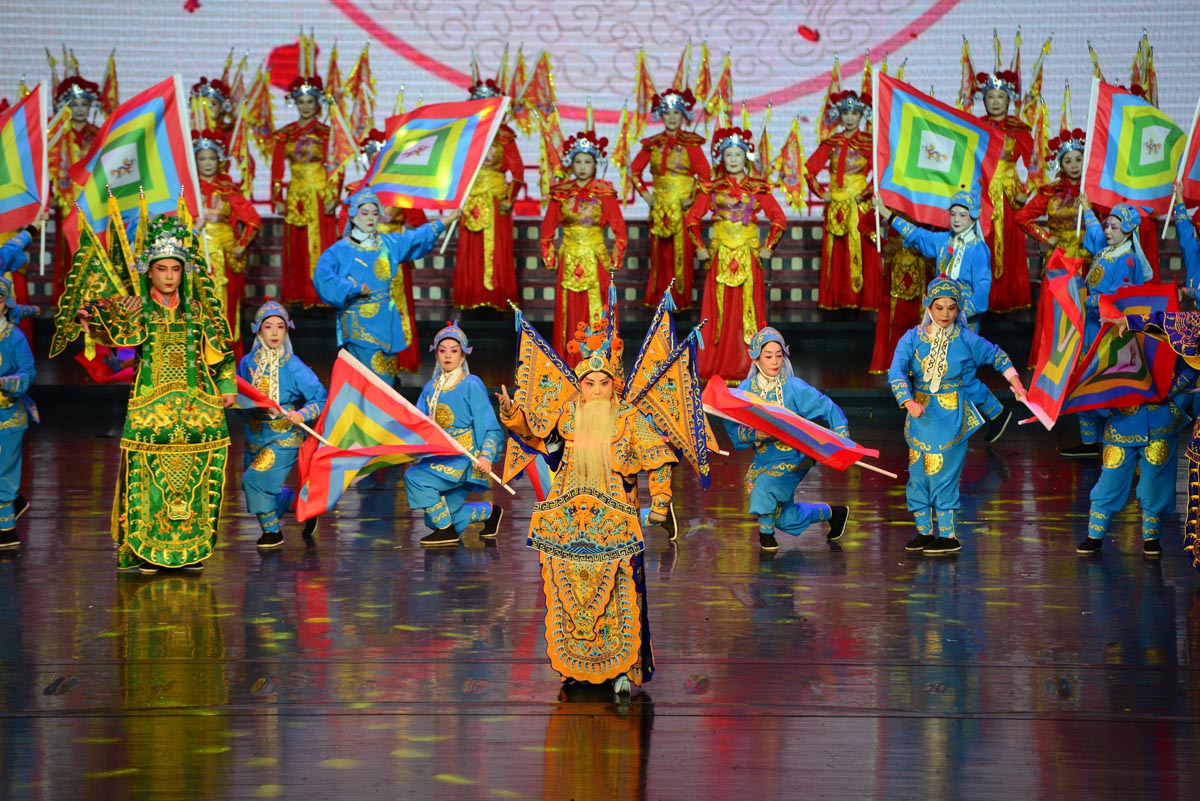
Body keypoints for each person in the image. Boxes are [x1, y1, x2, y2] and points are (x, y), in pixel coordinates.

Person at [498, 320, 675, 697]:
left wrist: (660, 500)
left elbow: (659, 458)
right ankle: (574, 667)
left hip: (615, 524)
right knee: (568, 594)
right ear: (579, 385)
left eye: (603, 383)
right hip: (567, 521)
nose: (596, 390)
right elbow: (538, 439)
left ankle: (622, 669)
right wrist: (514, 417)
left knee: (620, 593)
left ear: (614, 385)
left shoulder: (628, 418)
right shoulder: (566, 415)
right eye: (589, 383)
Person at [73, 214, 236, 573]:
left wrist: (227, 387)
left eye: (175, 269)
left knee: (196, 480)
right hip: (151, 412)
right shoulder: (138, 309)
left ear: (183, 272)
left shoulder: (197, 312)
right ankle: (145, 550)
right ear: (149, 272)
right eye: (161, 269)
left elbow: (221, 354)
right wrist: (88, 314)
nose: (168, 276)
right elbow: (104, 314)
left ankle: (191, 549)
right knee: (145, 480)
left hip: (197, 411)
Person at [888, 275, 1026, 554]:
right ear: (928, 306)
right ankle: (924, 532)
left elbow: (998, 356)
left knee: (944, 475)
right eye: (939, 307)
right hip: (919, 415)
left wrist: (1017, 384)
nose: (945, 314)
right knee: (918, 474)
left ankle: (948, 536)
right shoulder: (912, 337)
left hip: (951, 416)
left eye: (952, 308)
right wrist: (908, 401)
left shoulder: (965, 339)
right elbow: (896, 371)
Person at [876, 190, 1013, 440]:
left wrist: (961, 312)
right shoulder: (943, 241)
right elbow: (917, 235)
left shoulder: (978, 250)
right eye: (953, 214)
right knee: (944, 370)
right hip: (939, 319)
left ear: (973, 218)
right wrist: (887, 213)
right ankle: (978, 416)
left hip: (963, 320)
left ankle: (995, 413)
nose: (957, 219)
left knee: (961, 373)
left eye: (963, 215)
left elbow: (983, 288)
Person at [723, 327, 850, 551]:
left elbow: (826, 406)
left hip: (795, 455)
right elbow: (732, 423)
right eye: (768, 356)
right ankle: (834, 513)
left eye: (779, 355)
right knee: (785, 517)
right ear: (756, 358)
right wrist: (755, 434)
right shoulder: (746, 390)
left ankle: (766, 536)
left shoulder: (793, 387)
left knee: (765, 486)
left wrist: (840, 437)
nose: (774, 362)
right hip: (765, 459)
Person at [314, 188, 457, 386]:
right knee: (365, 380)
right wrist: (351, 288)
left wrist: (448, 219)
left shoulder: (387, 243)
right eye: (365, 213)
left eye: (375, 213)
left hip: (387, 321)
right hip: (359, 324)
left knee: (386, 379)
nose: (370, 218)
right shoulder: (340, 250)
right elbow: (322, 276)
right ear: (353, 216)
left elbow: (416, 237)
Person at [685, 127, 786, 381]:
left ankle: (747, 365)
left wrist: (768, 247)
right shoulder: (712, 188)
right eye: (728, 155)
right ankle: (716, 364)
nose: (733, 160)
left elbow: (779, 219)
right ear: (721, 158)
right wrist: (699, 247)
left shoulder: (757, 188)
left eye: (737, 155)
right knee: (718, 312)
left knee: (746, 310)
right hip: (720, 257)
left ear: (746, 157)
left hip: (747, 256)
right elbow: (692, 219)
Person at [1059, 199, 1152, 458]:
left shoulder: (1127, 260)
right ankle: (1090, 442)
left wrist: (1087, 300)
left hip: (1110, 332)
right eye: (1107, 226)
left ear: (1128, 231)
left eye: (1114, 227)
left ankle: (1115, 440)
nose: (1108, 231)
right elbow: (1094, 232)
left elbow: (1120, 299)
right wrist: (1087, 208)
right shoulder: (1108, 251)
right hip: (1092, 326)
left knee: (1103, 383)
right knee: (1083, 379)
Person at [405, 322, 504, 547]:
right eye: (442, 351)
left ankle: (447, 532)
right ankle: (490, 513)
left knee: (415, 478)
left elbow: (489, 425)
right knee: (435, 519)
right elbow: (417, 423)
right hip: (439, 456)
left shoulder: (471, 384)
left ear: (463, 355)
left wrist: (486, 456)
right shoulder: (430, 388)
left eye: (454, 350)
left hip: (465, 458)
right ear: (436, 354)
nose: (448, 355)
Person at [238, 301, 326, 549]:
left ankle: (272, 533)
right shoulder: (247, 363)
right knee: (259, 486)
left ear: (287, 330)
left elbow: (320, 397)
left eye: (280, 327)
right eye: (268, 327)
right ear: (258, 330)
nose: (275, 332)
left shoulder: (293, 365)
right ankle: (299, 503)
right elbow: (240, 396)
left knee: (253, 481)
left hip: (284, 436)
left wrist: (302, 414)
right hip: (255, 434)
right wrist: (244, 407)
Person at [540, 130, 627, 367]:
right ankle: (569, 360)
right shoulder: (561, 194)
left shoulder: (604, 193)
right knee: (568, 308)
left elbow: (620, 229)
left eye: (587, 162)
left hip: (595, 258)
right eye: (578, 161)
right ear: (571, 163)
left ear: (595, 164)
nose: (582, 167)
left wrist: (615, 259)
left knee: (598, 307)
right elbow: (547, 230)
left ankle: (599, 360)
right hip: (569, 257)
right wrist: (549, 258)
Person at [1014, 128, 1089, 369]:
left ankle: (1081, 363)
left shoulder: (1093, 190)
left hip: (1087, 260)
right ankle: (1054, 365)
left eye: (1078, 159)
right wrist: (1047, 237)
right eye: (1068, 161)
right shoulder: (1051, 192)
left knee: (1084, 309)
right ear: (1060, 164)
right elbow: (1022, 217)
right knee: (1057, 311)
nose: (1074, 165)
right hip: (1059, 260)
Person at [631, 88, 709, 310]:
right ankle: (659, 299)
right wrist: (646, 195)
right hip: (660, 208)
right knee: (660, 256)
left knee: (681, 255)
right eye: (667, 113)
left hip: (682, 210)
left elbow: (705, 176)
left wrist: (692, 198)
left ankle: (680, 302)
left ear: (683, 115)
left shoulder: (691, 144)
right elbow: (634, 171)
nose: (672, 118)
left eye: (676, 113)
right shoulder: (653, 144)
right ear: (661, 116)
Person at [806, 89, 882, 311]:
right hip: (837, 206)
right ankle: (838, 300)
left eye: (854, 113)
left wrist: (865, 193)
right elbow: (809, 170)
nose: (849, 118)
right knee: (838, 253)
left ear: (862, 115)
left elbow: (881, 174)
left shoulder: (869, 142)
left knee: (862, 250)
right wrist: (822, 193)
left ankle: (862, 301)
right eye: (846, 113)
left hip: (859, 206)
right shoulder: (832, 142)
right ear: (839, 115)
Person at [455, 79, 524, 311]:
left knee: (495, 248)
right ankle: (472, 296)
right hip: (470, 198)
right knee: (471, 249)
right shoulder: (466, 133)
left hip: (495, 199)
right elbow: (457, 167)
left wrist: (509, 199)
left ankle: (496, 297)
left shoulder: (504, 135)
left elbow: (518, 171)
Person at [271, 75, 339, 307]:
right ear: (295, 103)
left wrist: (334, 196)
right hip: (295, 197)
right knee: (296, 247)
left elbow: (335, 167)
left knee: (320, 245)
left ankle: (321, 293)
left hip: (319, 195)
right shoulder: (285, 134)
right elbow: (277, 170)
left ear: (317, 103)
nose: (306, 106)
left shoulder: (326, 133)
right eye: (301, 102)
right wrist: (277, 198)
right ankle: (298, 292)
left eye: (310, 101)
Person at [194, 129, 261, 359]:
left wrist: (240, 245)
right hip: (195, 255)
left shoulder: (228, 190)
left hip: (223, 258)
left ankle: (224, 356)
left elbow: (253, 220)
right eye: (202, 158)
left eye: (211, 158)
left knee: (225, 306)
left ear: (219, 160)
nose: (207, 163)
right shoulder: (188, 189)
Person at [975, 70, 1034, 313]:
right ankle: (982, 299)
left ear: (1009, 100)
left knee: (1009, 243)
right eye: (991, 97)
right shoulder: (975, 126)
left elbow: (1034, 166)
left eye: (1001, 97)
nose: (996, 102)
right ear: (984, 100)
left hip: (1010, 196)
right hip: (982, 193)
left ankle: (1009, 298)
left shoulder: (1019, 129)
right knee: (982, 244)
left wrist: (1025, 192)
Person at [49, 75, 102, 305]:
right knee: (69, 251)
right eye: (75, 104)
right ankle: (70, 302)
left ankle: (94, 298)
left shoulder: (97, 134)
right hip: (68, 200)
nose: (80, 109)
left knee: (94, 249)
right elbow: (50, 166)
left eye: (84, 104)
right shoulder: (58, 134)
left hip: (93, 201)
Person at [0, 274, 36, 549]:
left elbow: (28, 373)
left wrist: (3, 383)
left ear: (6, 302)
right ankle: (15, 502)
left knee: (5, 469)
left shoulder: (14, 337)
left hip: (8, 413)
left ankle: (6, 529)